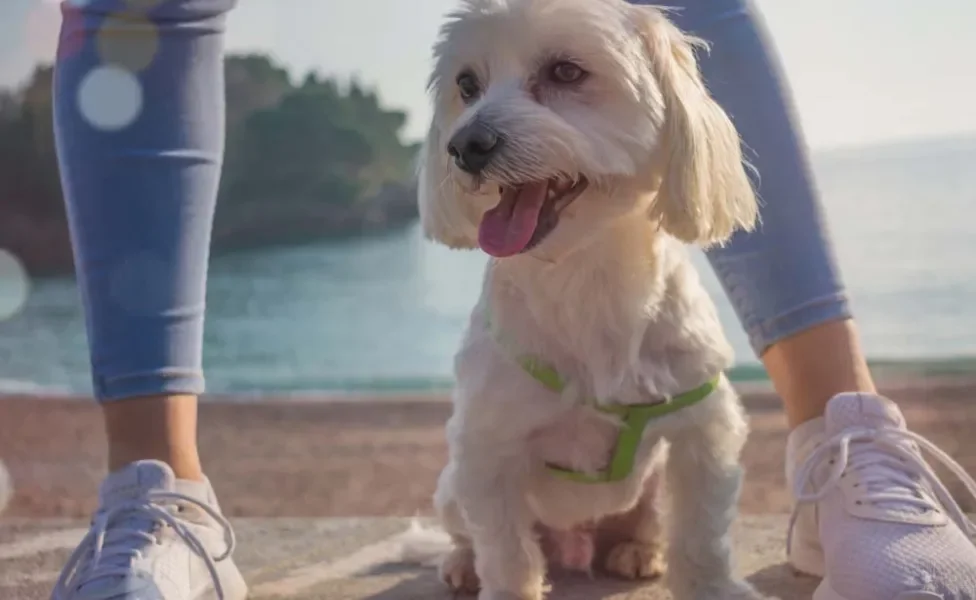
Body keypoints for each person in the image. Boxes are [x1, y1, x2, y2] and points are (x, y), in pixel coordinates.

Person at [48, 0, 976, 599]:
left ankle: (843, 441)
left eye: (564, 76)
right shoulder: (500, 327)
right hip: (511, 505)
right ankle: (158, 492)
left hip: (636, 464)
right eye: (467, 92)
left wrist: (701, 568)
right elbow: (481, 462)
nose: (477, 137)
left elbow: (706, 434)